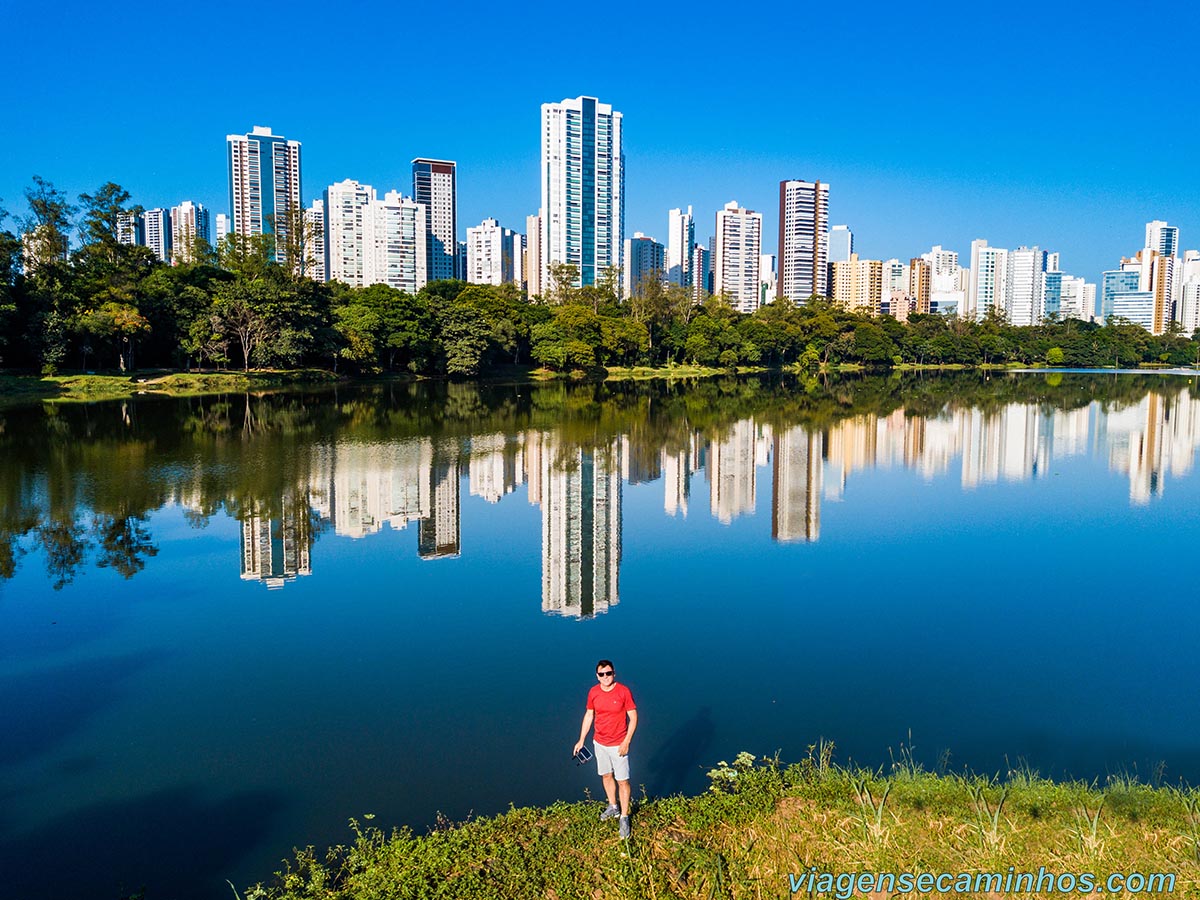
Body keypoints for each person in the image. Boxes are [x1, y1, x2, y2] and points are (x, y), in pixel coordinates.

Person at [573, 659, 638, 839]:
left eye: (608, 673)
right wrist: (581, 740)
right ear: (597, 676)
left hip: (618, 744)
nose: (605, 677)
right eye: (601, 674)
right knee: (606, 775)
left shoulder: (623, 691)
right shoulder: (593, 692)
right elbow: (589, 714)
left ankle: (624, 817)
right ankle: (613, 806)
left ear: (614, 674)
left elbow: (633, 717)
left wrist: (626, 742)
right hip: (599, 743)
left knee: (623, 781)